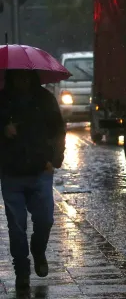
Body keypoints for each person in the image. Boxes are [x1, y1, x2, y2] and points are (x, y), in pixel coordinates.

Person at [0, 70, 66, 290]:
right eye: (18, 77)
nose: (22, 81)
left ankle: (38, 250)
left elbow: (58, 129)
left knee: (45, 219)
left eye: (26, 76)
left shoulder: (45, 99)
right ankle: (22, 270)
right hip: (11, 173)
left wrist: (54, 159)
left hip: (40, 171)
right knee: (16, 226)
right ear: (10, 77)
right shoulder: (2, 100)